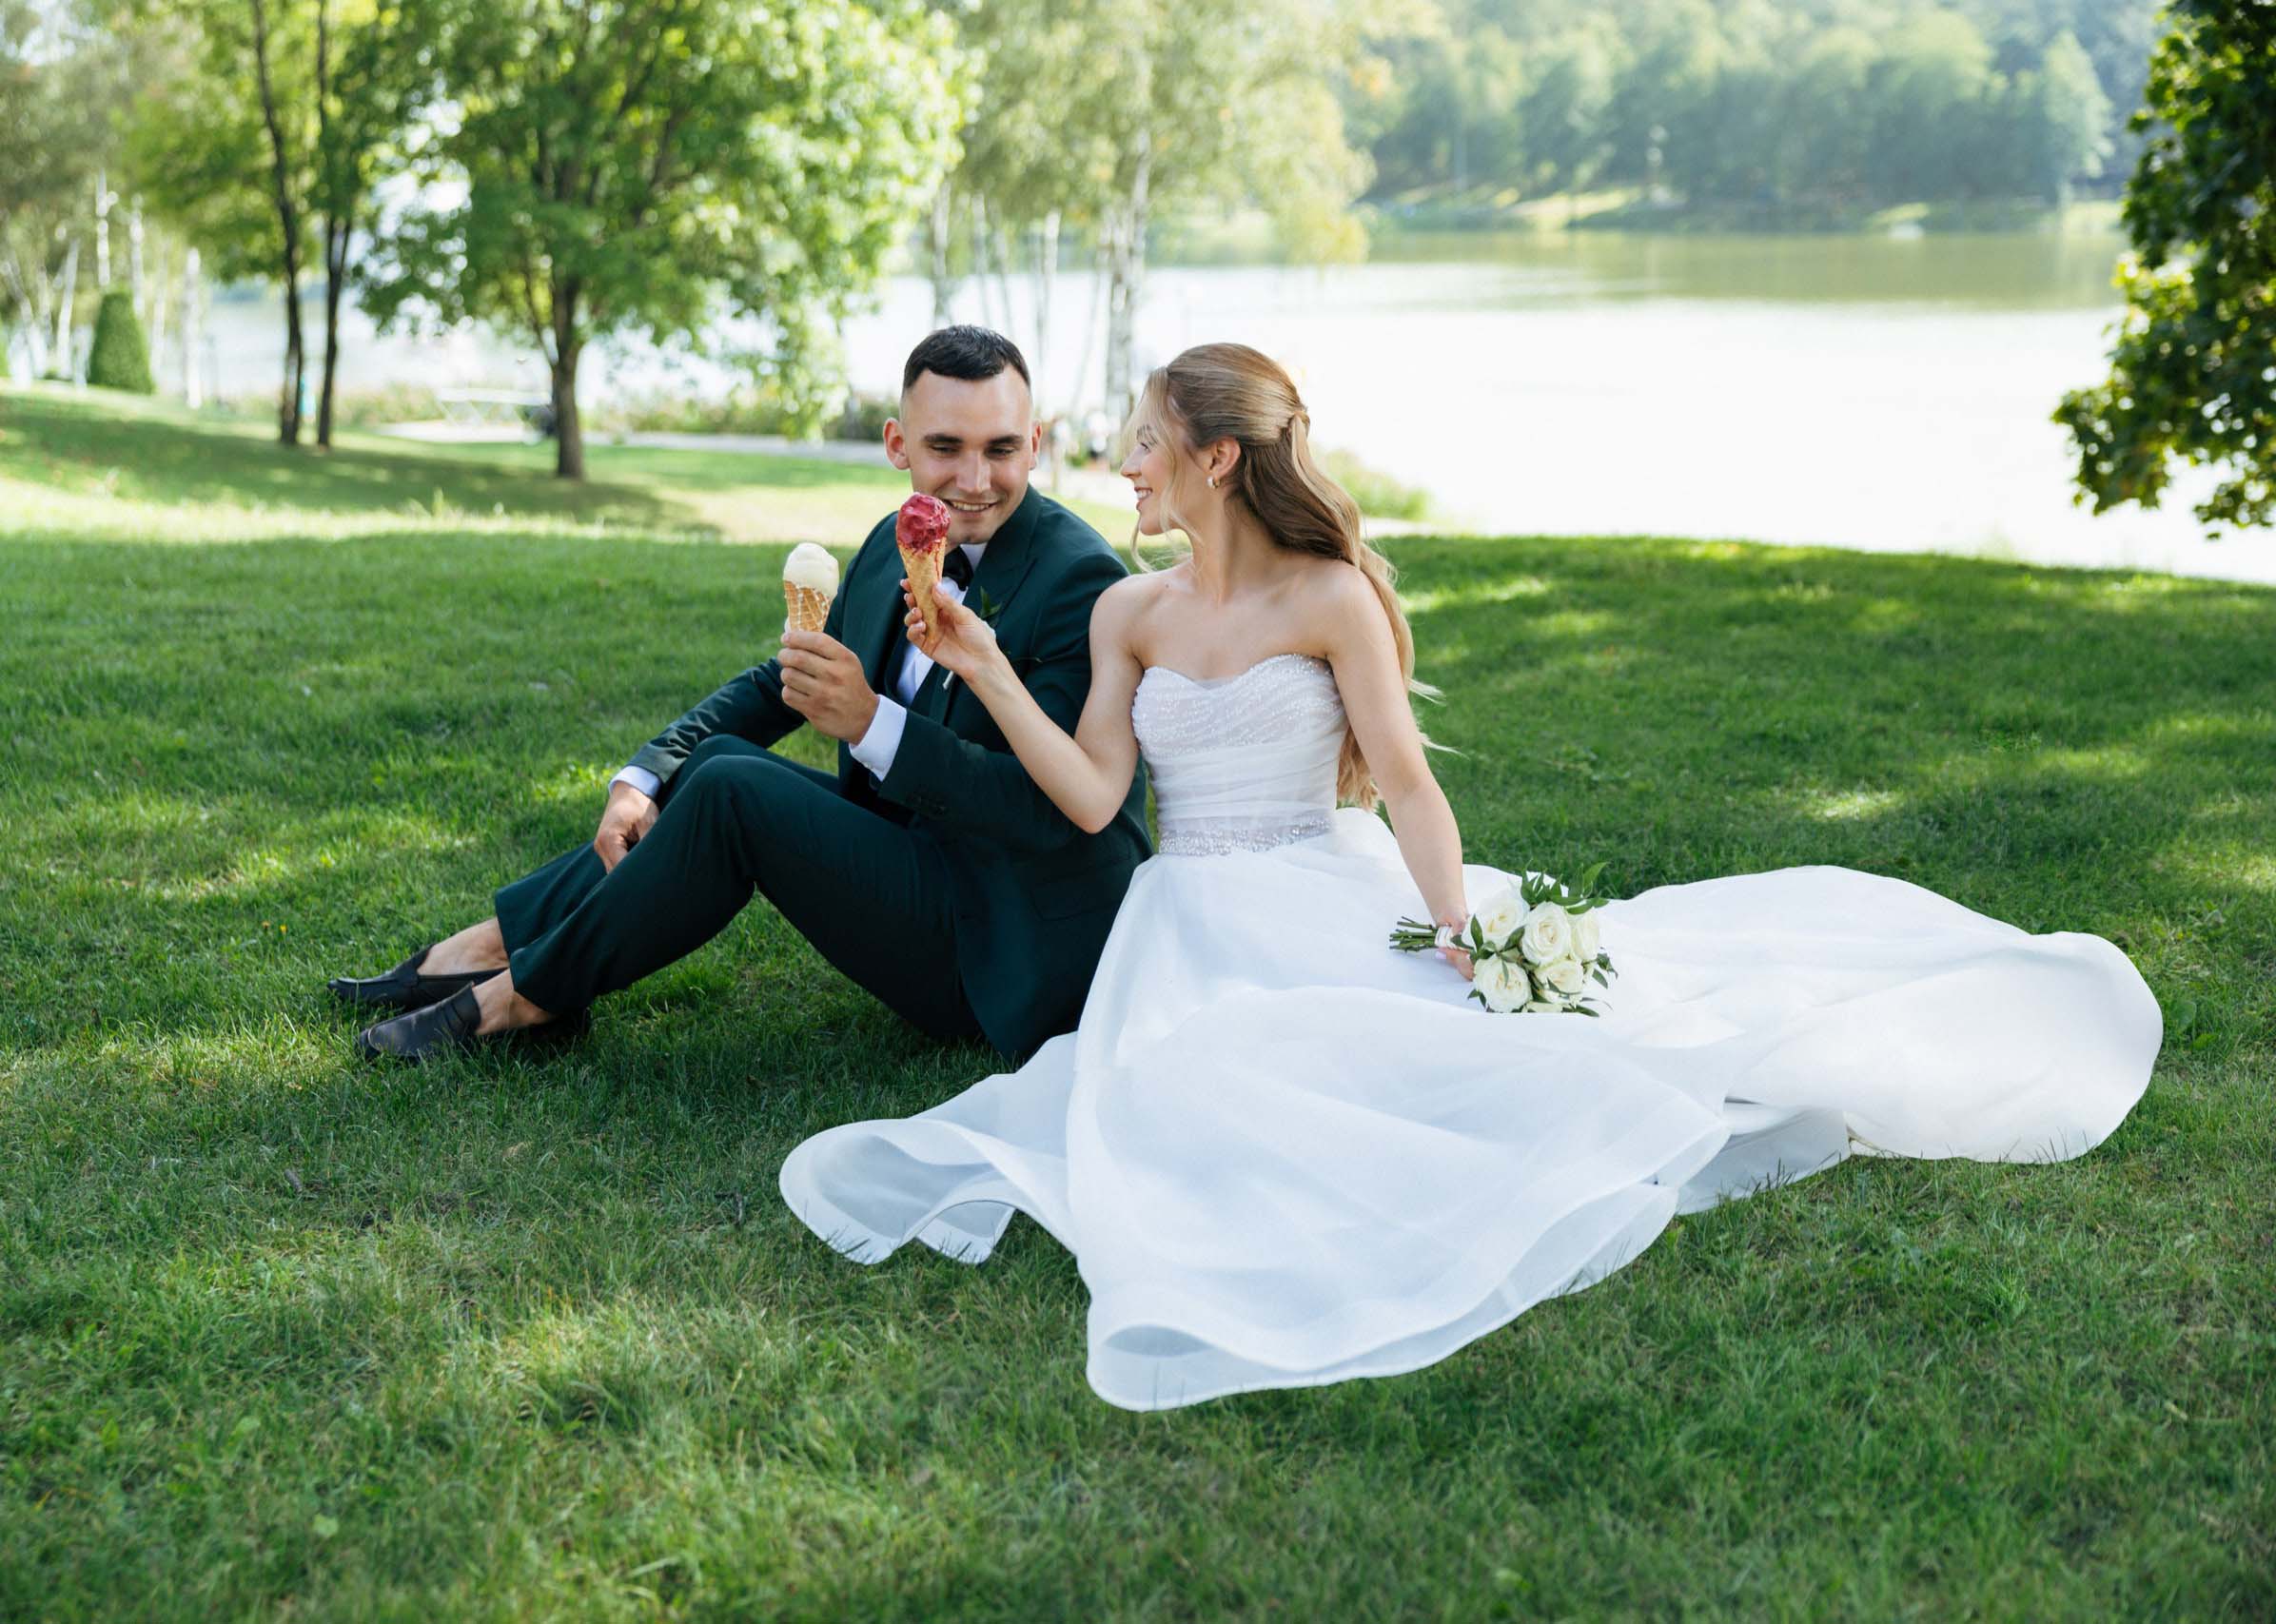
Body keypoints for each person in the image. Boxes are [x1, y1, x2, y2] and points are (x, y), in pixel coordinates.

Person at [777, 342, 2161, 1413]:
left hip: (1325, 883)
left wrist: (1459, 925)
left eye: (1144, 442)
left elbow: (1412, 781)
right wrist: (980, 663)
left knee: (1471, 1073)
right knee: (1186, 1113)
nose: (1125, 466)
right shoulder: (1126, 609)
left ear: (1208, 456)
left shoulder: (1332, 598)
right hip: (1183, 920)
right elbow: (1086, 796)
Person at [331, 327, 1150, 1063]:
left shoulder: (1079, 580)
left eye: (1002, 448)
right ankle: (488, 947)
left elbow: (1051, 812)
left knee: (732, 789)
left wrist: (872, 723)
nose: (975, 479)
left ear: (1036, 443)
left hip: (1009, 938)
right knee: (713, 761)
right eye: (947, 447)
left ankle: (522, 997)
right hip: (919, 869)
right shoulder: (893, 538)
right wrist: (642, 776)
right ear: (898, 444)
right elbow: (785, 681)